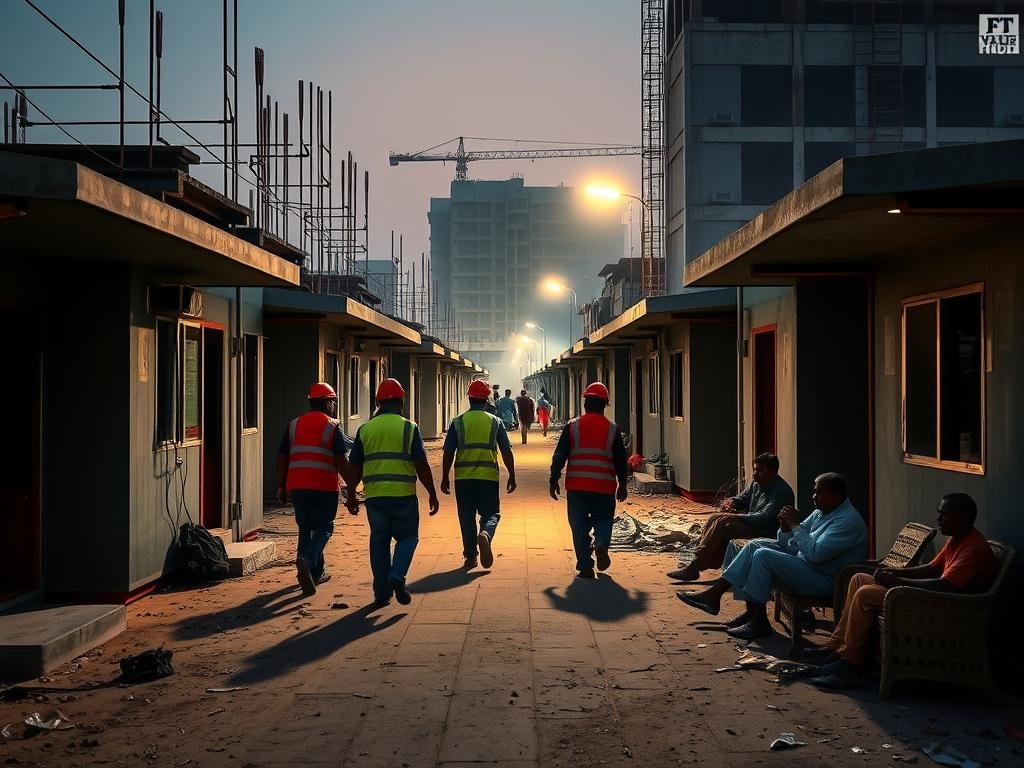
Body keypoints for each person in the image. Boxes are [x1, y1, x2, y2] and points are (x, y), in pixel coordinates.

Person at [810, 493, 998, 688]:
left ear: (963, 518)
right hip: (933, 598)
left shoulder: (973, 548)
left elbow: (946, 585)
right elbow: (932, 568)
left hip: (945, 608)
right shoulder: (957, 538)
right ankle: (835, 648)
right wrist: (895, 572)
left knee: (866, 594)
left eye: (944, 514)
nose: (938, 518)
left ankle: (852, 665)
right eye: (939, 513)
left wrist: (898, 581)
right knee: (859, 579)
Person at [676, 473, 867, 640]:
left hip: (824, 579)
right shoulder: (822, 511)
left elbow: (815, 553)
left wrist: (793, 525)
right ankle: (745, 610)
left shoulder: (847, 521)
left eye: (819, 493)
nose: (813, 497)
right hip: (806, 564)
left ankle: (758, 621)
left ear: (835, 496)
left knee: (763, 556)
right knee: (751, 545)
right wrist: (785, 528)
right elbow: (791, 542)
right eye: (814, 492)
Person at [346, 378, 440, 607]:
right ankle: (397, 574)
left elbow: (354, 467)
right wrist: (431, 492)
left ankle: (381, 593)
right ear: (401, 401)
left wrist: (351, 495)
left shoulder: (365, 429)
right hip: (403, 496)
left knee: (379, 543)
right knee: (408, 537)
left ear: (377, 402)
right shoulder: (409, 428)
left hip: (375, 497)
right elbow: (421, 465)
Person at [667, 453, 794, 582]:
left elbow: (764, 518)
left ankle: (695, 566)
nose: (755, 474)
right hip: (752, 523)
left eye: (760, 471)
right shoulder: (757, 484)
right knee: (714, 518)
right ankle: (701, 561)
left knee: (724, 525)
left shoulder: (780, 491)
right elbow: (742, 498)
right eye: (755, 470)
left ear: (773, 471)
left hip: (766, 530)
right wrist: (730, 502)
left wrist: (735, 517)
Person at [276, 382, 351, 596]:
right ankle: (307, 561)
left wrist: (281, 485)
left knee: (305, 527)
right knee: (324, 528)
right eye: (333, 402)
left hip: (298, 486)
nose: (334, 406)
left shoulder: (294, 424)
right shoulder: (332, 426)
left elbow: (282, 456)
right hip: (324, 486)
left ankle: (315, 573)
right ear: (327, 403)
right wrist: (352, 488)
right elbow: (341, 461)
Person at [549, 382, 629, 579]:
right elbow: (621, 460)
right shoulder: (613, 429)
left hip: (577, 487)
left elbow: (559, 455)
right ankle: (601, 543)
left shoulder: (572, 426)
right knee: (604, 519)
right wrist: (623, 484)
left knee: (579, 525)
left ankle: (585, 566)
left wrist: (554, 478)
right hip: (604, 486)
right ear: (605, 405)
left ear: (585, 403)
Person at [440, 380, 517, 569]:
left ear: (469, 398)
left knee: (466, 517)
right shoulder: (495, 422)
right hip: (488, 477)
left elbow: (448, 451)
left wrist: (444, 477)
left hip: (463, 478)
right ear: (487, 399)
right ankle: (486, 534)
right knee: (491, 513)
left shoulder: (458, 422)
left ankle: (470, 557)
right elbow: (506, 451)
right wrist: (511, 474)